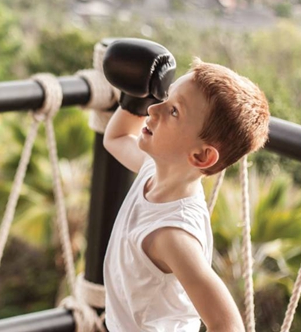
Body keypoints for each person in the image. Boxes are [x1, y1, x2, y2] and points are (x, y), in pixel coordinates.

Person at [100, 39, 270, 332]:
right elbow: (115, 139)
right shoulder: (155, 169)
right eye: (165, 97)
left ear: (201, 156)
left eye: (174, 111)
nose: (154, 109)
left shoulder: (173, 235)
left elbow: (228, 324)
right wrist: (136, 96)